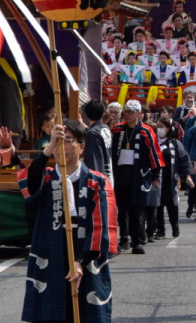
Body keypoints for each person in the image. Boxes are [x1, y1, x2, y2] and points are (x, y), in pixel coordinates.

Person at [19, 120, 117, 323]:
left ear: (81, 146)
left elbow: (103, 229)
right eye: (57, 141)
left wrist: (81, 261)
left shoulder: (97, 181)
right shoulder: (48, 178)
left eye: (68, 141)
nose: (63, 147)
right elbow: (26, 189)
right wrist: (45, 150)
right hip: (53, 264)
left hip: (87, 264)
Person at [111, 99, 163, 254]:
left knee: (137, 210)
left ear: (139, 114)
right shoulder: (117, 129)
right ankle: (124, 239)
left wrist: (155, 174)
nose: (128, 115)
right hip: (120, 175)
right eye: (126, 111)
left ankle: (137, 241)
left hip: (139, 176)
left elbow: (154, 153)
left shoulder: (146, 131)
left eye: (132, 112)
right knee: (122, 209)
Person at [153, 115, 192, 239]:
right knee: (157, 205)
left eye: (162, 127)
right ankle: (160, 230)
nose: (160, 129)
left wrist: (187, 176)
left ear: (168, 129)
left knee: (172, 205)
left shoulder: (175, 143)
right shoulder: (152, 142)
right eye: (158, 126)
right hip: (156, 178)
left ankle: (175, 226)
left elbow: (184, 160)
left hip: (170, 178)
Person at [82, 99, 111, 182]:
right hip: (108, 172)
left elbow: (94, 161)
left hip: (99, 178)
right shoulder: (106, 128)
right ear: (103, 115)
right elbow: (92, 131)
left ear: (86, 115)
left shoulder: (92, 134)